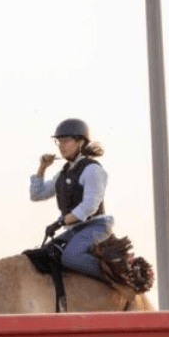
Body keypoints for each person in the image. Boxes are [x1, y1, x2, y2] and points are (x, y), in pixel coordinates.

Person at [30, 118, 115, 281]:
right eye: (59, 141)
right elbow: (37, 194)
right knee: (44, 255)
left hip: (96, 227)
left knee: (70, 258)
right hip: (75, 229)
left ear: (81, 142)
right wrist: (42, 168)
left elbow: (89, 206)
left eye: (66, 141)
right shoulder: (63, 173)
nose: (61, 146)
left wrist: (61, 222)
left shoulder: (92, 170)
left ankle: (113, 276)